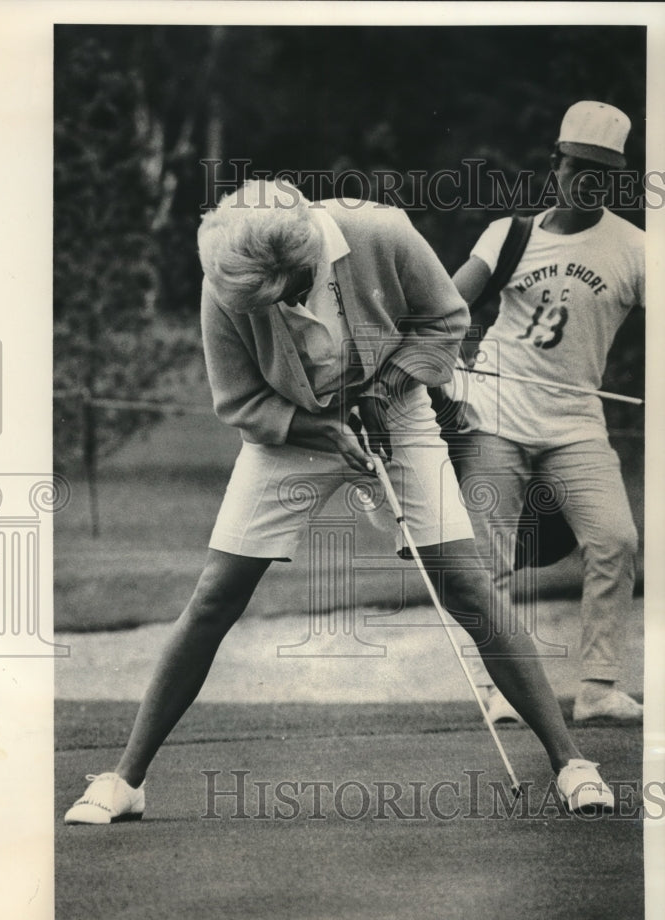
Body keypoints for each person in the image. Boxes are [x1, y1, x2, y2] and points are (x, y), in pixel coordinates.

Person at [65, 177, 614, 824]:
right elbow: (238, 400)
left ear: (306, 259)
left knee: (466, 585)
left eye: (289, 295)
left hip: (398, 413)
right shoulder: (228, 276)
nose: (278, 310)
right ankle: (127, 779)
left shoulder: (378, 231)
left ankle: (571, 762)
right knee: (215, 594)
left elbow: (445, 321)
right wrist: (319, 430)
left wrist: (384, 389)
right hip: (292, 432)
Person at [449, 101, 644, 726]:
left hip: (575, 421)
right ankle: (499, 686)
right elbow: (449, 303)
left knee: (616, 540)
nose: (587, 180)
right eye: (576, 166)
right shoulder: (510, 234)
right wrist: (444, 365)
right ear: (553, 163)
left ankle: (597, 687)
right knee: (492, 551)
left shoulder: (639, 249)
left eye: (602, 172)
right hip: (495, 411)